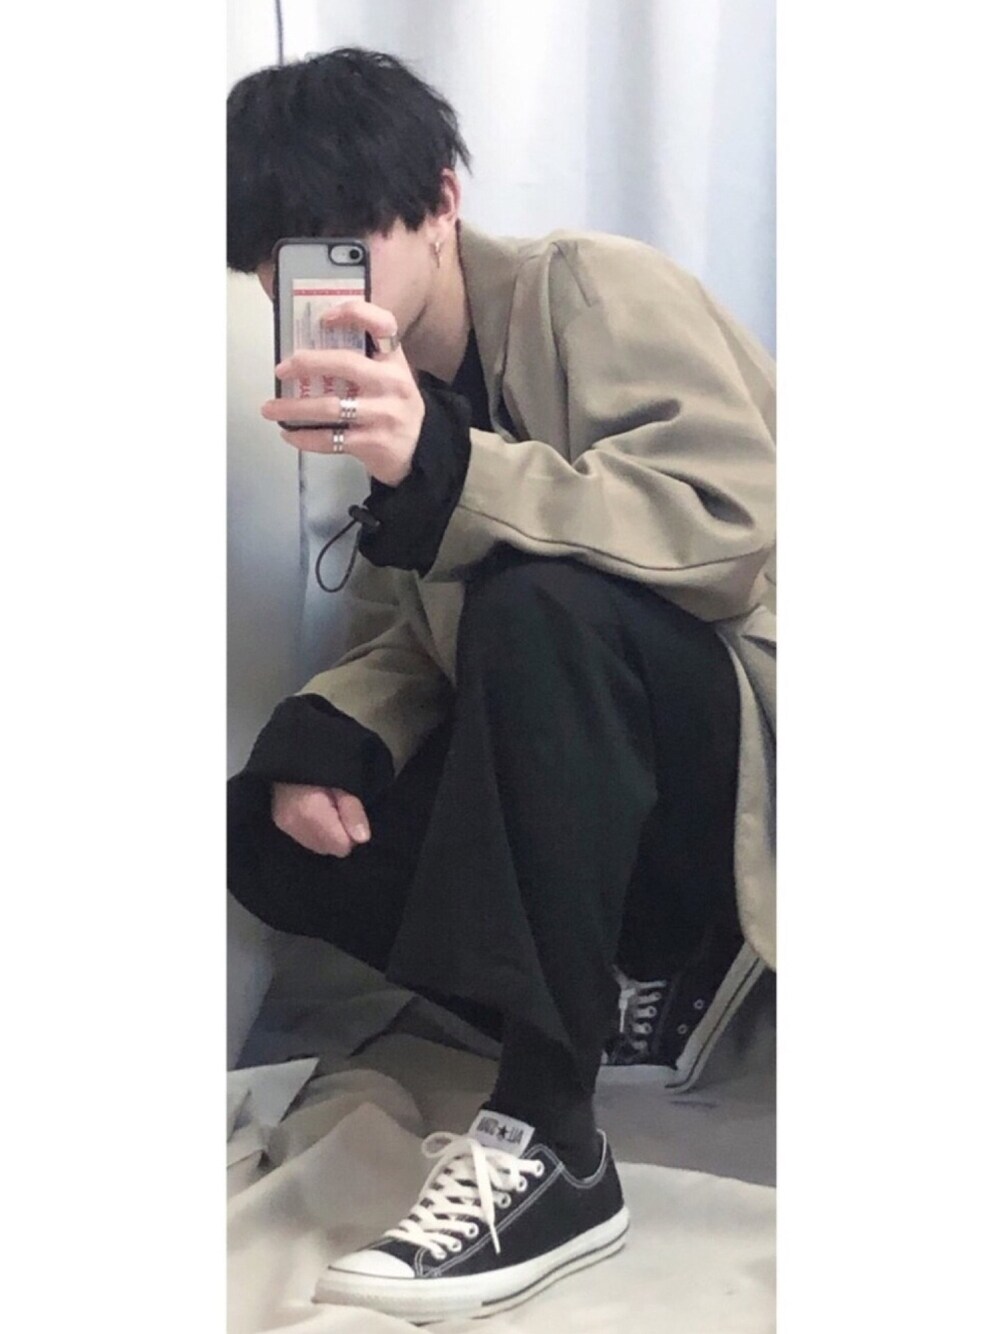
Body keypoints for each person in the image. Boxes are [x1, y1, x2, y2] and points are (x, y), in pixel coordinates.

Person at [227, 46, 776, 1324]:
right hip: (591, 763)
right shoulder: (399, 395)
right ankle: (627, 990)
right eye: (279, 265)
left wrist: (450, 466)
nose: (317, 286)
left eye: (346, 241)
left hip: (736, 738)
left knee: (540, 604)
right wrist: (328, 739)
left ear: (441, 202)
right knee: (261, 826)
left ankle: (553, 1137)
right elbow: (414, 633)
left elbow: (729, 525)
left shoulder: (586, 288)